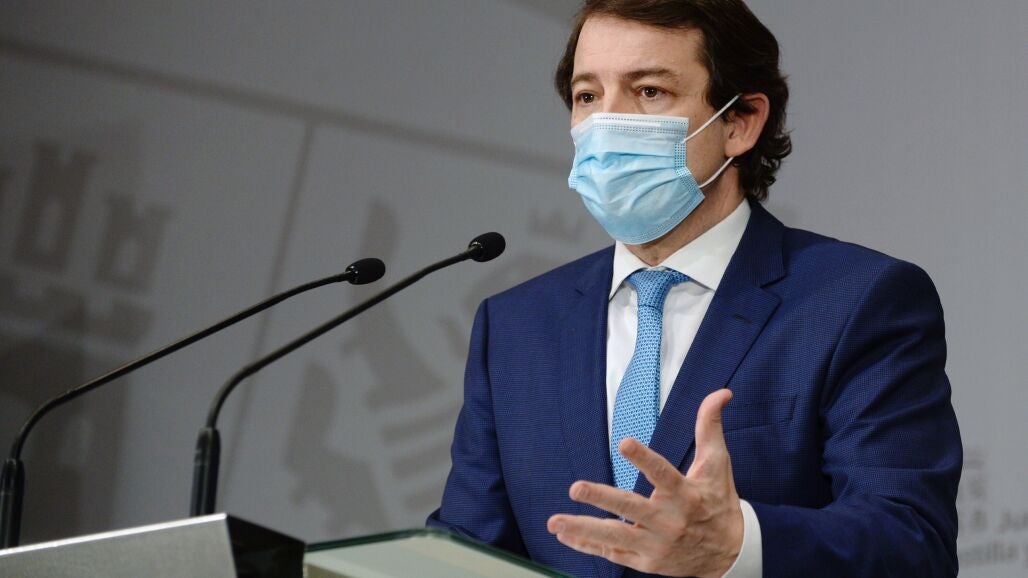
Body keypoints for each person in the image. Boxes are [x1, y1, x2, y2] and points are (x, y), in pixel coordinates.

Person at [427, 1, 962, 577]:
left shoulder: (857, 301)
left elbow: (911, 543)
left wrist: (736, 545)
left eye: (649, 91)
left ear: (740, 121)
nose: (607, 122)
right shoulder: (517, 324)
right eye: (587, 96)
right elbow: (467, 549)